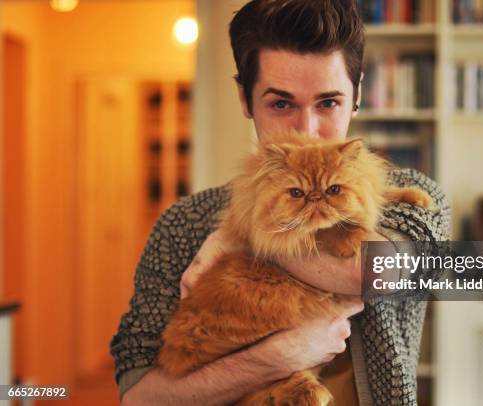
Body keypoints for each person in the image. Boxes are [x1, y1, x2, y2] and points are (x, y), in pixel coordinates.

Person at [110, 1, 450, 405]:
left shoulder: (415, 198)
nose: (306, 130)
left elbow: (386, 271)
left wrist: (241, 238)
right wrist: (273, 360)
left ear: (357, 96)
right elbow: (138, 396)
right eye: (282, 104)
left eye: (328, 103)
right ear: (245, 99)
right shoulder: (182, 225)